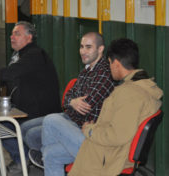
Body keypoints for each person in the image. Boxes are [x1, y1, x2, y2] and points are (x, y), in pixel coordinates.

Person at [0, 21, 62, 174]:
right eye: (12, 33)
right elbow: (11, 77)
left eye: (17, 34)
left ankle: (21, 159)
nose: (12, 37)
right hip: (27, 107)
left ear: (29, 38)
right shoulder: (21, 55)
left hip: (39, 112)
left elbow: (11, 72)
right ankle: (22, 157)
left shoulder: (35, 55)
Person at [68, 38, 163, 176]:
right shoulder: (140, 86)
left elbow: (117, 136)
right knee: (52, 152)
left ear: (116, 64)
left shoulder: (130, 94)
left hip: (109, 156)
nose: (109, 68)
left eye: (110, 63)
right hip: (109, 149)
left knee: (52, 123)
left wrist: (89, 130)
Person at [27, 32, 115, 176]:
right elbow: (68, 97)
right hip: (75, 123)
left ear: (100, 49)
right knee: (46, 148)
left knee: (51, 120)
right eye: (81, 47)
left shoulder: (104, 72)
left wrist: (72, 103)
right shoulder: (86, 70)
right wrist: (72, 102)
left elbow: (85, 105)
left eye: (88, 47)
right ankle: (44, 155)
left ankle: (43, 156)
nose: (83, 51)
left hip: (89, 133)